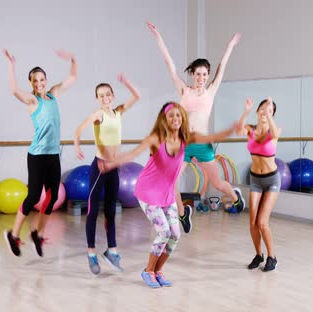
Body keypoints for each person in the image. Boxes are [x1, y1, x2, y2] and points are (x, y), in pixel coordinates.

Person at [99, 102, 239, 288]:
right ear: (164, 119)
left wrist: (233, 129)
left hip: (166, 194)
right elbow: (133, 153)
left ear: (183, 118)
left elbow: (214, 136)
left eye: (178, 115)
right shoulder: (156, 139)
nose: (175, 119)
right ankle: (148, 271)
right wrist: (111, 163)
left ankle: (158, 271)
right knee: (164, 232)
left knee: (175, 234)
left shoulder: (188, 138)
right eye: (171, 115)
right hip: (148, 192)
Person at [147, 22, 244, 234]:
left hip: (203, 145)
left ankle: (236, 198)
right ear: (192, 74)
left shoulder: (210, 91)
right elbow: (169, 63)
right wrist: (158, 37)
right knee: (170, 182)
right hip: (183, 144)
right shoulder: (184, 89)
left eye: (204, 75)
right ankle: (183, 213)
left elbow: (222, 68)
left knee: (217, 183)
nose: (201, 78)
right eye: (198, 74)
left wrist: (230, 46)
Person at [2, 48, 77, 257]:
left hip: (53, 155)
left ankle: (37, 233)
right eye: (35, 81)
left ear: (46, 80)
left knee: (51, 198)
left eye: (41, 79)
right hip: (37, 156)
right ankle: (14, 235)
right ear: (31, 84)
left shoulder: (53, 94)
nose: (39, 84)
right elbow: (14, 91)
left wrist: (72, 59)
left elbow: (72, 77)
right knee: (34, 195)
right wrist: (11, 65)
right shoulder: (33, 101)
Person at [73, 74, 140, 274]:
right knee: (93, 211)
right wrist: (77, 147)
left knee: (111, 211)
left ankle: (112, 250)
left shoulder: (118, 113)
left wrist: (127, 82)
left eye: (108, 94)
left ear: (112, 96)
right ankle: (91, 253)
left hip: (114, 169)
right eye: (101, 96)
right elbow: (78, 131)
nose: (105, 98)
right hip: (100, 167)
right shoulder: (98, 115)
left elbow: (136, 96)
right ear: (97, 99)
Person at [237, 98, 281, 272]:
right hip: (255, 179)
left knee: (262, 222)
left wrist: (268, 113)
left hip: (272, 180)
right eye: (262, 108)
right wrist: (246, 110)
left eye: (269, 110)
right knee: (253, 223)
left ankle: (272, 257)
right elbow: (240, 129)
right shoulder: (250, 130)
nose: (265, 112)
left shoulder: (275, 130)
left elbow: (275, 135)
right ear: (257, 111)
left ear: (272, 115)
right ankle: (258, 254)